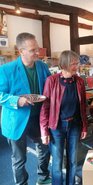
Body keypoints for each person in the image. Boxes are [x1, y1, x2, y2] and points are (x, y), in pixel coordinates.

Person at [0, 32, 51, 185]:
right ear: (21, 51)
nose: (37, 53)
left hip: (38, 118)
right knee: (19, 158)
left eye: (37, 49)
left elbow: (49, 87)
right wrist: (17, 100)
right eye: (32, 50)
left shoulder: (42, 66)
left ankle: (43, 177)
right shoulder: (6, 69)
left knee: (44, 149)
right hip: (16, 120)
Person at [40, 50, 88, 185]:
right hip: (57, 127)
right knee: (57, 162)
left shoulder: (79, 81)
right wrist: (44, 131)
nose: (77, 66)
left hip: (74, 126)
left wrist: (84, 126)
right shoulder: (51, 81)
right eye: (74, 63)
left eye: (77, 63)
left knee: (73, 161)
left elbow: (83, 106)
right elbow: (45, 107)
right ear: (65, 64)